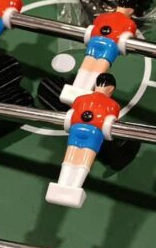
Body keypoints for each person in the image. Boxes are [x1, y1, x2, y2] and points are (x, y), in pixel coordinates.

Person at [47, 74, 120, 208]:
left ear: (96, 84)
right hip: (94, 132)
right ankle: (75, 187)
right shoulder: (113, 105)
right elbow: (111, 121)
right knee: (84, 160)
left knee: (70, 158)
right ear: (111, 89)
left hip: (76, 129)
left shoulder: (80, 99)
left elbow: (73, 113)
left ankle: (61, 184)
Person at [60, 0, 137, 104]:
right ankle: (85, 97)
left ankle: (74, 92)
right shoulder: (130, 23)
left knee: (86, 66)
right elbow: (129, 36)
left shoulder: (102, 16)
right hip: (110, 45)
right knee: (98, 68)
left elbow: (95, 25)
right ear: (131, 11)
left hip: (94, 41)